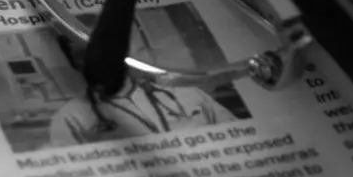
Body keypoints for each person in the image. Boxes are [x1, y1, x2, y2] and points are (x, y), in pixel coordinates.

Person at [47, 36, 236, 146]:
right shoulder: (70, 118)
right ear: (74, 65)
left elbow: (237, 136)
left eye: (105, 49)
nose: (98, 59)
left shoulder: (186, 93)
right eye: (82, 55)